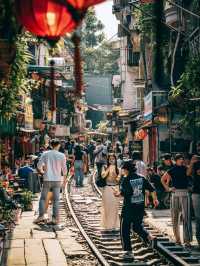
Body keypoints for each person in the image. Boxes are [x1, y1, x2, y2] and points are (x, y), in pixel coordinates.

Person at [114, 160, 158, 260]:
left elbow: (124, 193)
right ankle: (149, 237)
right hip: (139, 207)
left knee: (124, 229)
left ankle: (128, 252)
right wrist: (155, 199)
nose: (122, 170)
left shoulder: (126, 179)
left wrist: (117, 193)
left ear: (126, 169)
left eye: (123, 169)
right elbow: (152, 189)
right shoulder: (142, 178)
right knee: (137, 226)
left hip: (129, 208)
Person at [161, 154, 192, 247]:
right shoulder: (172, 170)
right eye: (179, 159)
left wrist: (191, 187)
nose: (181, 160)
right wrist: (168, 188)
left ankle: (187, 240)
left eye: (182, 159)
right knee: (175, 217)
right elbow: (162, 179)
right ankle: (177, 239)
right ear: (175, 160)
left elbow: (191, 177)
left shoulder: (186, 168)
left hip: (185, 193)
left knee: (186, 217)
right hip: (175, 194)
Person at [35, 139, 67, 225]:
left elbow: (38, 166)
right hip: (57, 179)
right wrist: (64, 180)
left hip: (47, 179)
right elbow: (64, 170)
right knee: (56, 200)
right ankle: (55, 219)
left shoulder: (45, 154)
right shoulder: (62, 155)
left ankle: (41, 216)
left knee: (43, 198)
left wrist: (42, 173)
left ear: (50, 145)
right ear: (58, 145)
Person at [101, 154, 120, 230]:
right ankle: (107, 225)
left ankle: (114, 225)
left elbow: (118, 180)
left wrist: (115, 173)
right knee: (107, 208)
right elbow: (103, 176)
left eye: (113, 159)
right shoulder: (105, 167)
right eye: (110, 159)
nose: (111, 160)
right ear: (108, 160)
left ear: (115, 160)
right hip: (107, 188)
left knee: (115, 208)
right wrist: (108, 169)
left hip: (115, 188)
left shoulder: (118, 168)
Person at [189, 158, 200, 248]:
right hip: (197, 192)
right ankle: (199, 239)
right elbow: (188, 173)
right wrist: (192, 163)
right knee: (198, 217)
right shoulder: (195, 163)